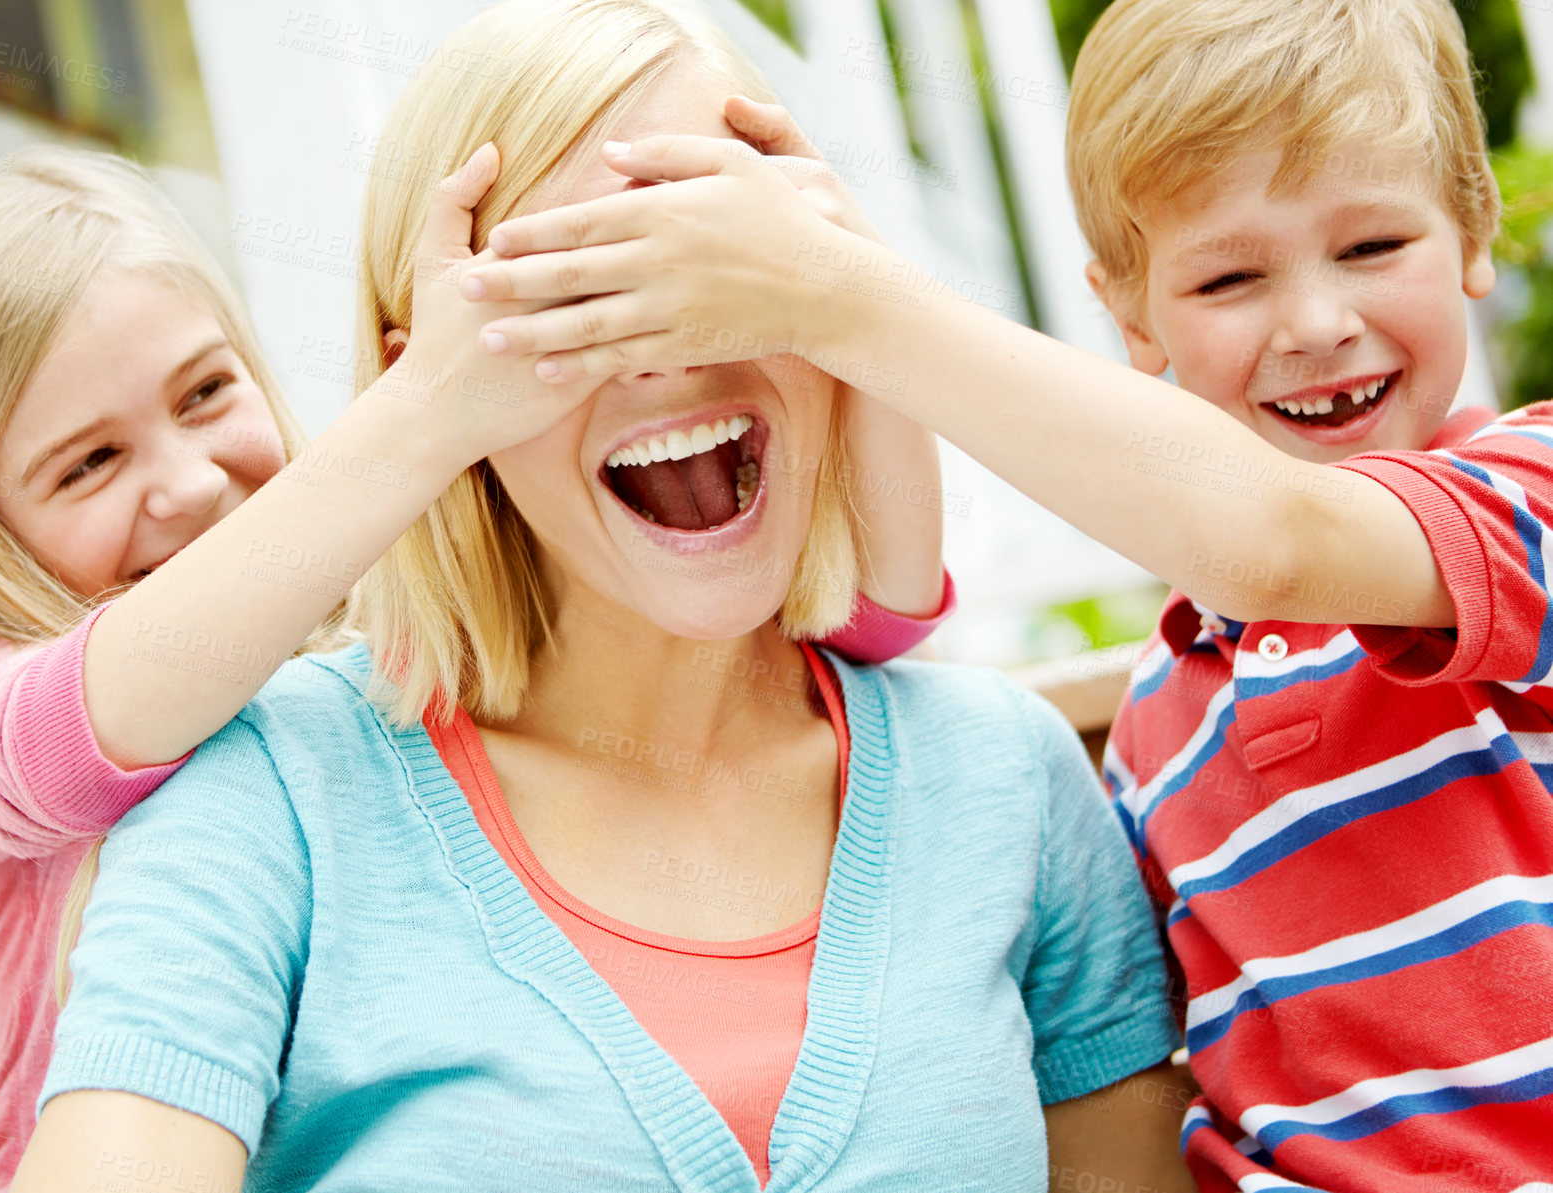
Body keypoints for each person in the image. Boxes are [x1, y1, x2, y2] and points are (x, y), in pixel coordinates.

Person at [15, 2, 1194, 1190]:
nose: (666, 350)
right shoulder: (270, 803)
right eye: (569, 295)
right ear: (433, 379)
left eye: (727, 264)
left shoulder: (1005, 778)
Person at [458, 0, 1553, 1187]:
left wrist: (849, 298)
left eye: (1374, 248)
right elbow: (871, 613)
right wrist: (831, 315)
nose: (1316, 322)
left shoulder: (1528, 498)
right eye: (1230, 275)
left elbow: (1275, 542)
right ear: (1130, 315)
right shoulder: (1160, 725)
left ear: (1474, 232)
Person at [0, 120, 943, 1193]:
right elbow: (101, 715)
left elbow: (860, 613)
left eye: (206, 392)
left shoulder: (351, 632)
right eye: (90, 463)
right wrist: (433, 406)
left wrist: (861, 312)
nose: (193, 482)